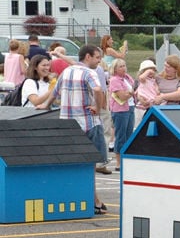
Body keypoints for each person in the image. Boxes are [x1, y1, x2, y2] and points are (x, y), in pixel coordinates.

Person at [38, 45, 107, 213]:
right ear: (88, 57)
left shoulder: (67, 71)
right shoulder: (89, 73)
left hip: (68, 124)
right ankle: (94, 200)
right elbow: (98, 89)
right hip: (88, 123)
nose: (99, 61)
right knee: (91, 165)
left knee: (72, 163)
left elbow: (55, 91)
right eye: (97, 57)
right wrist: (97, 107)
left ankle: (84, 198)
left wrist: (45, 105)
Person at [107, 58, 135, 170]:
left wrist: (130, 93)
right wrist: (131, 93)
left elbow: (133, 89)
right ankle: (118, 162)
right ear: (115, 69)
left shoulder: (127, 78)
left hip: (130, 107)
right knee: (120, 136)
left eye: (124, 65)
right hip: (120, 110)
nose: (124, 68)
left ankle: (127, 160)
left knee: (129, 135)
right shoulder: (114, 80)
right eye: (120, 66)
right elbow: (122, 96)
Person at [134, 60, 159, 125]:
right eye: (148, 70)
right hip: (142, 106)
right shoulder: (144, 80)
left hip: (151, 103)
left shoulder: (153, 81)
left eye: (153, 70)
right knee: (140, 123)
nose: (151, 72)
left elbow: (157, 90)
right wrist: (149, 71)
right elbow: (142, 77)